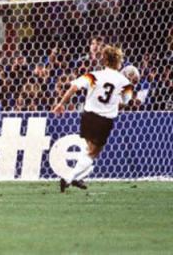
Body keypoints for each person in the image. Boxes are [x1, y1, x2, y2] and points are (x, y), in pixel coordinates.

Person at [52, 45, 133, 193]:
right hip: (104, 120)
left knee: (88, 149)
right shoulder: (124, 81)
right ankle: (69, 178)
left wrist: (60, 104)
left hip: (88, 116)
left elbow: (73, 88)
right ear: (118, 62)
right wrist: (116, 100)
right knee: (94, 153)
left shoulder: (93, 75)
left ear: (104, 60)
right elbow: (126, 102)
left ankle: (77, 178)